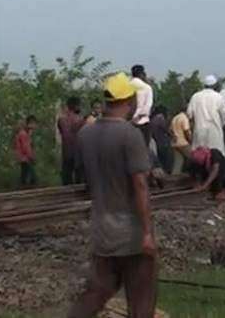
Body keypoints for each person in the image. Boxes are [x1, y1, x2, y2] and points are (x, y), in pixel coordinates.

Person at [66, 73, 158, 318]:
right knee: (141, 296)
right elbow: (139, 185)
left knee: (96, 292)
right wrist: (147, 233)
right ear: (129, 100)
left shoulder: (86, 134)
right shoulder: (130, 135)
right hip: (131, 233)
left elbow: (86, 176)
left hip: (101, 231)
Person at [186, 75, 225, 155]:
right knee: (216, 156)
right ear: (215, 85)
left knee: (199, 156)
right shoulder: (218, 97)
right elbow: (224, 116)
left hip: (199, 131)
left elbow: (189, 115)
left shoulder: (195, 97)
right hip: (215, 132)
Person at [57, 97, 87, 185]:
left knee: (66, 176)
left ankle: (66, 192)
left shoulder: (61, 119)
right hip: (78, 151)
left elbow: (62, 132)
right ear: (76, 106)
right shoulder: (80, 120)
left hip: (66, 151)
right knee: (79, 177)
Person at [129, 65, 155, 147]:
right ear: (141, 74)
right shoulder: (147, 87)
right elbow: (147, 107)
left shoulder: (127, 86)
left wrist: (132, 117)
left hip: (128, 123)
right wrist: (137, 116)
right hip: (142, 123)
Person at [149, 105, 173, 174]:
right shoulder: (160, 118)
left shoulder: (152, 119)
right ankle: (166, 173)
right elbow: (166, 129)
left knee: (159, 159)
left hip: (156, 142)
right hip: (163, 142)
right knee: (165, 160)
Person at [169, 109, 192, 174]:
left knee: (178, 164)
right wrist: (191, 140)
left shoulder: (175, 118)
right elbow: (186, 131)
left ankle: (174, 177)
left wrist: (174, 137)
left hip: (175, 143)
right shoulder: (184, 118)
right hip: (183, 143)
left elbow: (170, 130)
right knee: (193, 159)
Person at [17, 115, 36, 187]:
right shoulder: (23, 134)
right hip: (25, 159)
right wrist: (31, 157)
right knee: (32, 177)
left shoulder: (26, 134)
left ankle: (22, 189)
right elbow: (25, 148)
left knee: (24, 177)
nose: (34, 126)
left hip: (25, 159)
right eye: (33, 124)